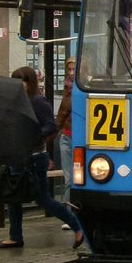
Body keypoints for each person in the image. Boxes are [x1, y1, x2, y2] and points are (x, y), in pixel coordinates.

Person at [0, 66, 85, 250]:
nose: (20, 85)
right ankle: (15, 236)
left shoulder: (37, 102)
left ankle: (77, 226)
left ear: (30, 82)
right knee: (14, 197)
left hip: (35, 157)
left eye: (23, 81)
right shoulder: (15, 102)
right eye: (16, 81)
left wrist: (33, 135)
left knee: (42, 198)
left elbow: (50, 126)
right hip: (17, 155)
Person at [55, 58, 76, 214]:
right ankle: (70, 213)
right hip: (66, 135)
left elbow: (64, 110)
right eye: (69, 69)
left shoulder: (77, 88)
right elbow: (62, 112)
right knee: (69, 178)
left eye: (74, 69)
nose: (71, 73)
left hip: (77, 136)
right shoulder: (67, 87)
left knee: (73, 177)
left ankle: (72, 213)